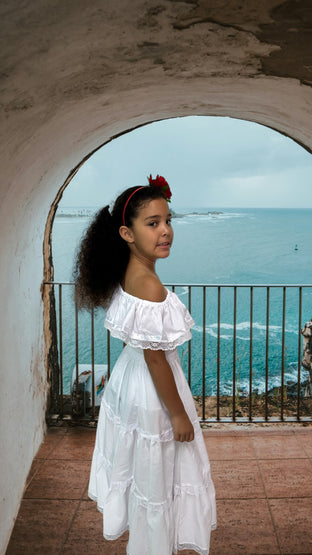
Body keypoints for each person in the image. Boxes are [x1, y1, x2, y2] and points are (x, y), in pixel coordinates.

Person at [73, 175, 216, 555]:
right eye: (152, 224)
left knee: (144, 470)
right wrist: (180, 415)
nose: (165, 231)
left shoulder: (131, 273)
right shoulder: (149, 285)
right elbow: (156, 359)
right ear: (127, 232)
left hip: (129, 381)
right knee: (158, 475)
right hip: (151, 389)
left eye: (168, 220)